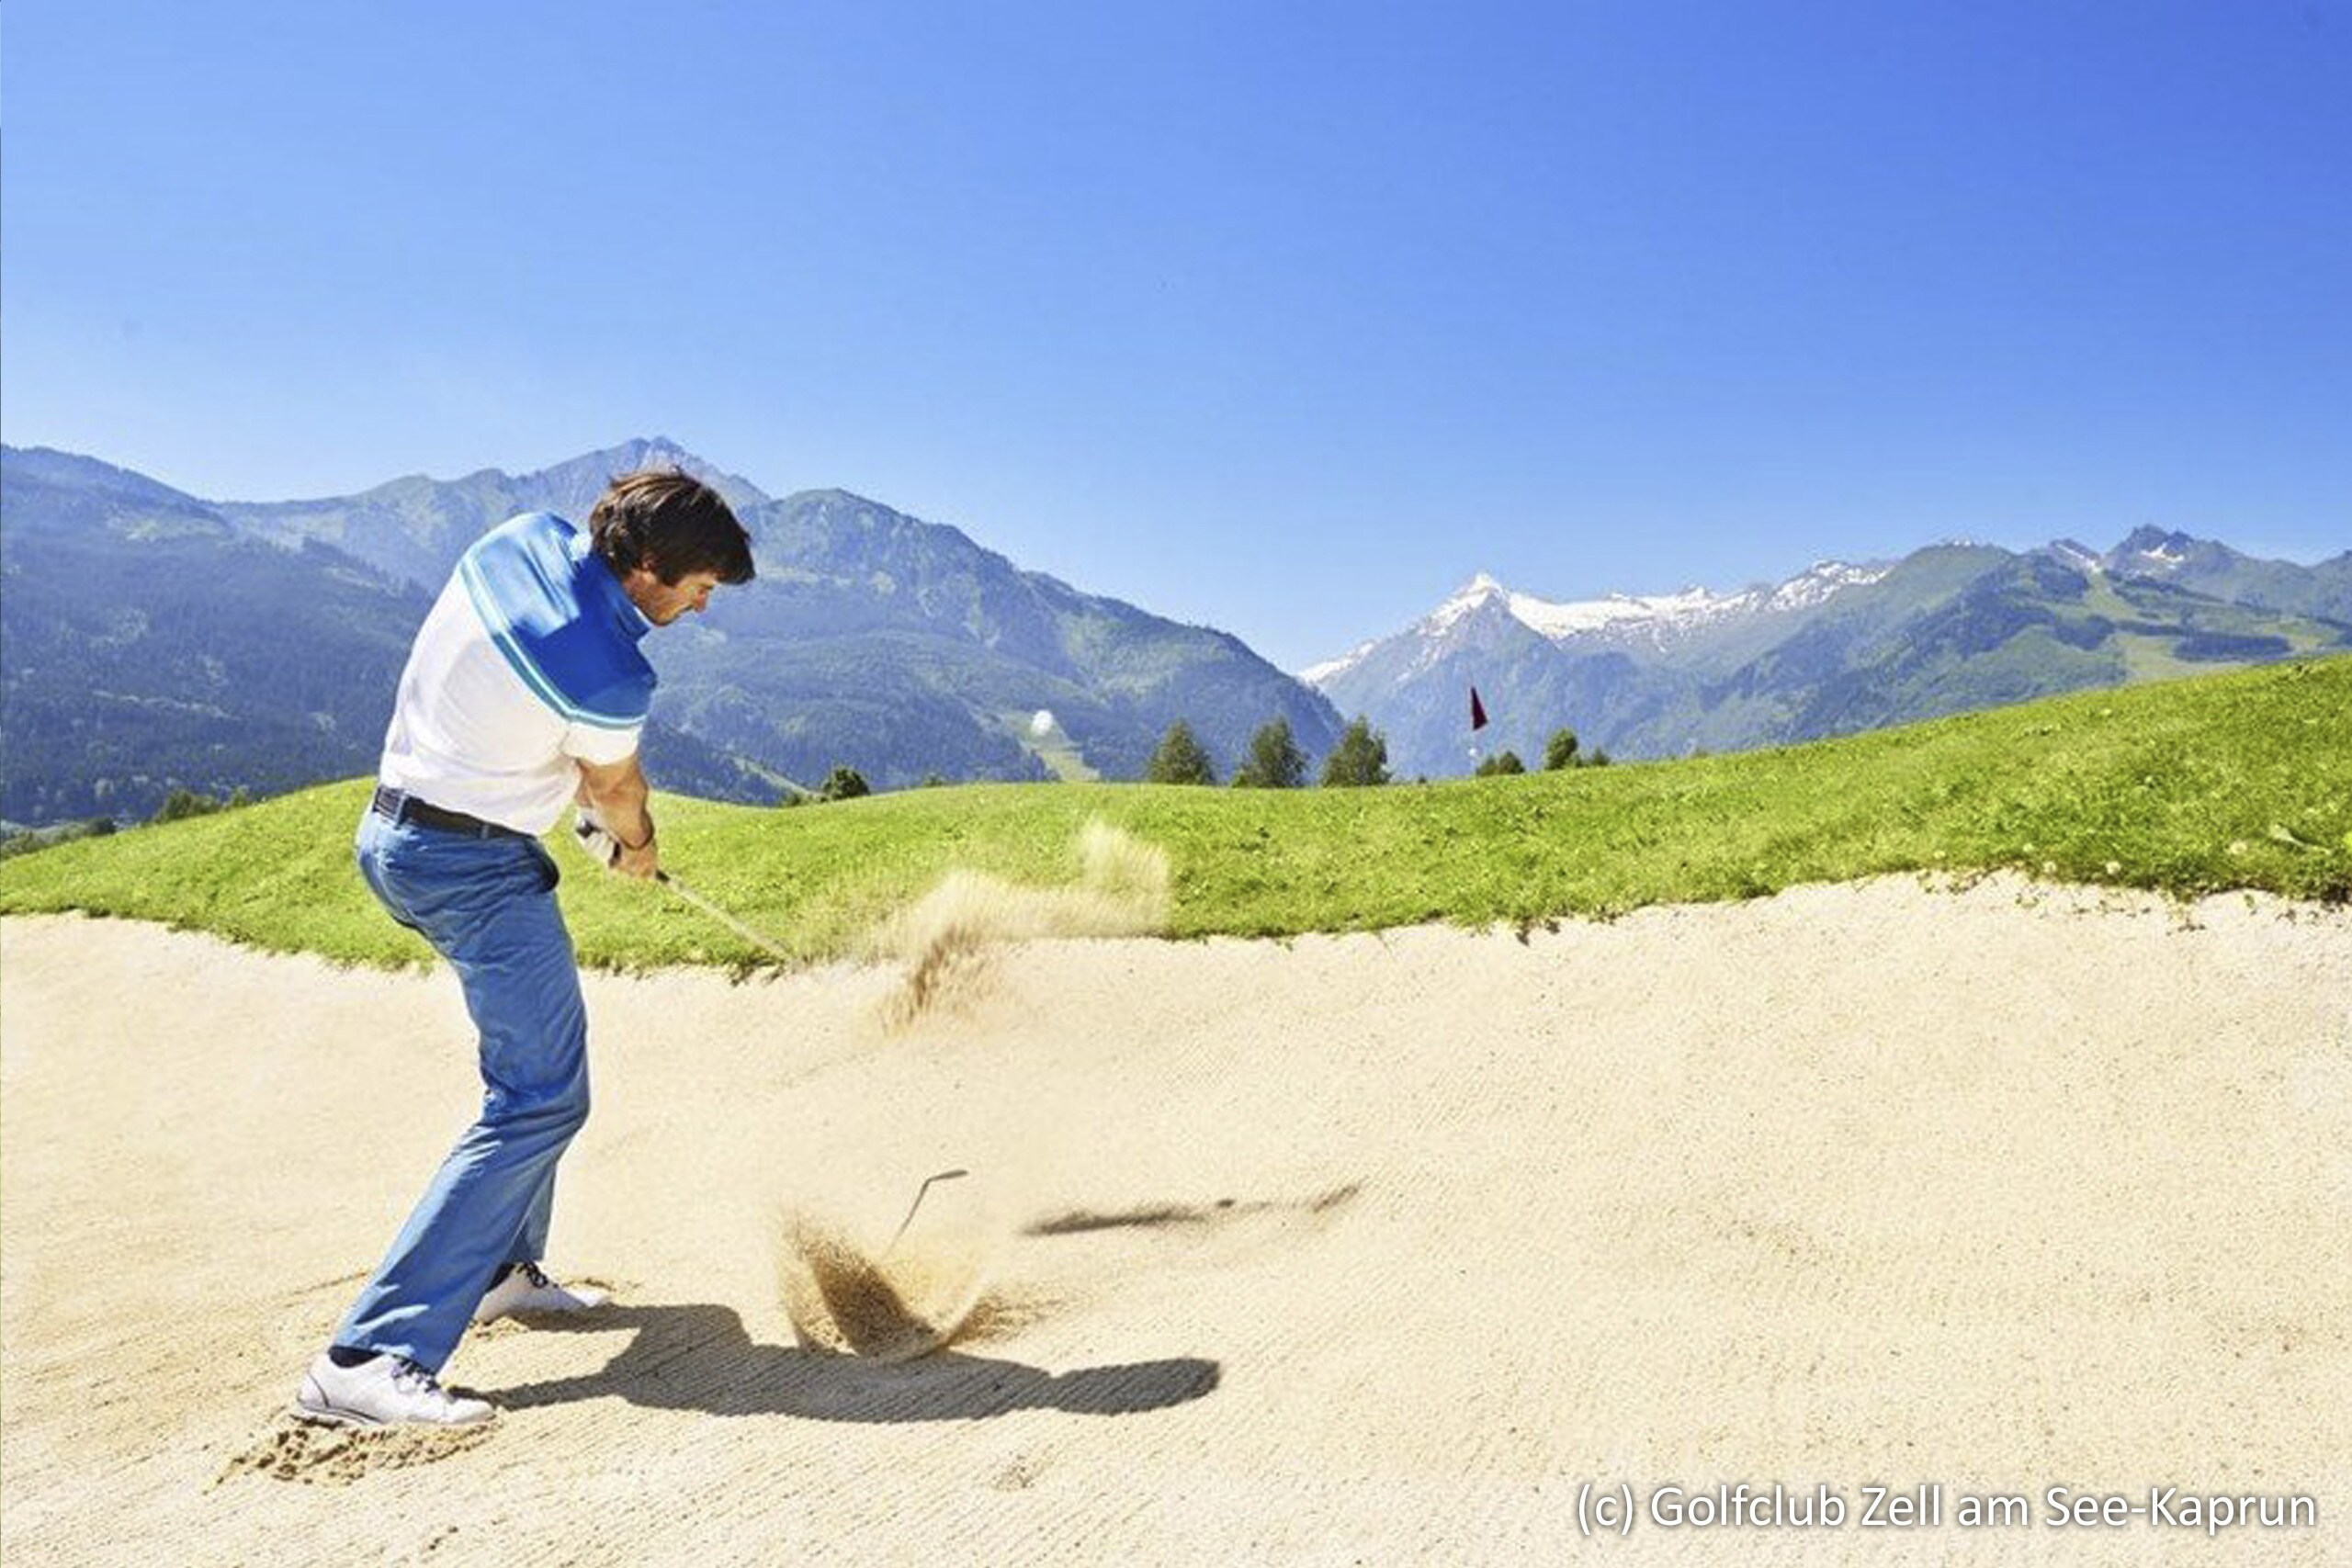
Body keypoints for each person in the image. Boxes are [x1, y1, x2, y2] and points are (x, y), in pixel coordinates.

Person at [294, 468, 755, 1427]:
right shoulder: (611, 667)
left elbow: (528, 723)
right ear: (650, 573)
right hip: (469, 868)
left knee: (532, 1076)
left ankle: (502, 1269)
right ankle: (367, 1356)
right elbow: (615, 790)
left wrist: (573, 807)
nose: (703, 607)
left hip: (400, 831)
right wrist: (636, 847)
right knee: (542, 1095)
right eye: (701, 589)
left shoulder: (520, 541)